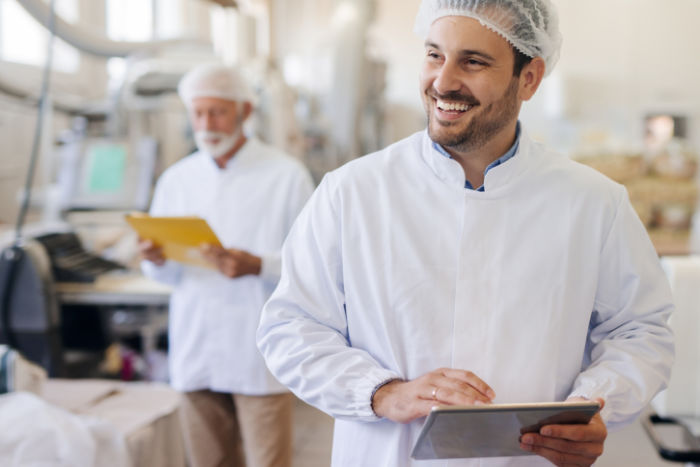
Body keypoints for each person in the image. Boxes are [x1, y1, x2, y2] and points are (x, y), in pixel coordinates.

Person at [256, 1, 675, 466]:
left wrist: (593, 405)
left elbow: (640, 330)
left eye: (472, 61)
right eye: (434, 55)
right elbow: (290, 326)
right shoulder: (351, 193)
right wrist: (381, 392)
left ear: (529, 78)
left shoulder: (593, 202)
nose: (442, 81)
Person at [139, 63, 314, 467]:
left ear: (245, 112)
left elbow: (314, 267)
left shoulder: (286, 176)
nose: (206, 124)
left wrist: (258, 265)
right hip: (195, 345)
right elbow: (165, 275)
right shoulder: (176, 179)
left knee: (268, 460)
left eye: (217, 112)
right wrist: (155, 258)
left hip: (259, 351)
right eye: (198, 113)